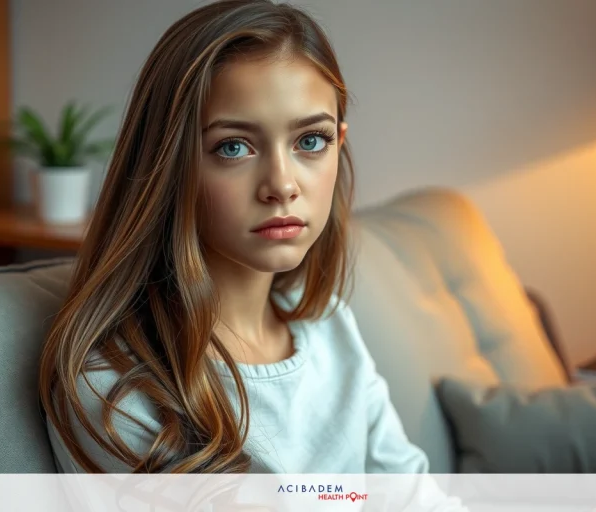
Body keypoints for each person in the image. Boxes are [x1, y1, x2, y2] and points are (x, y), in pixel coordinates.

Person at [37, 4, 466, 506]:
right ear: (168, 163)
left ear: (339, 143)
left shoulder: (329, 324)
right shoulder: (114, 389)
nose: (282, 185)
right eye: (234, 147)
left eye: (311, 140)